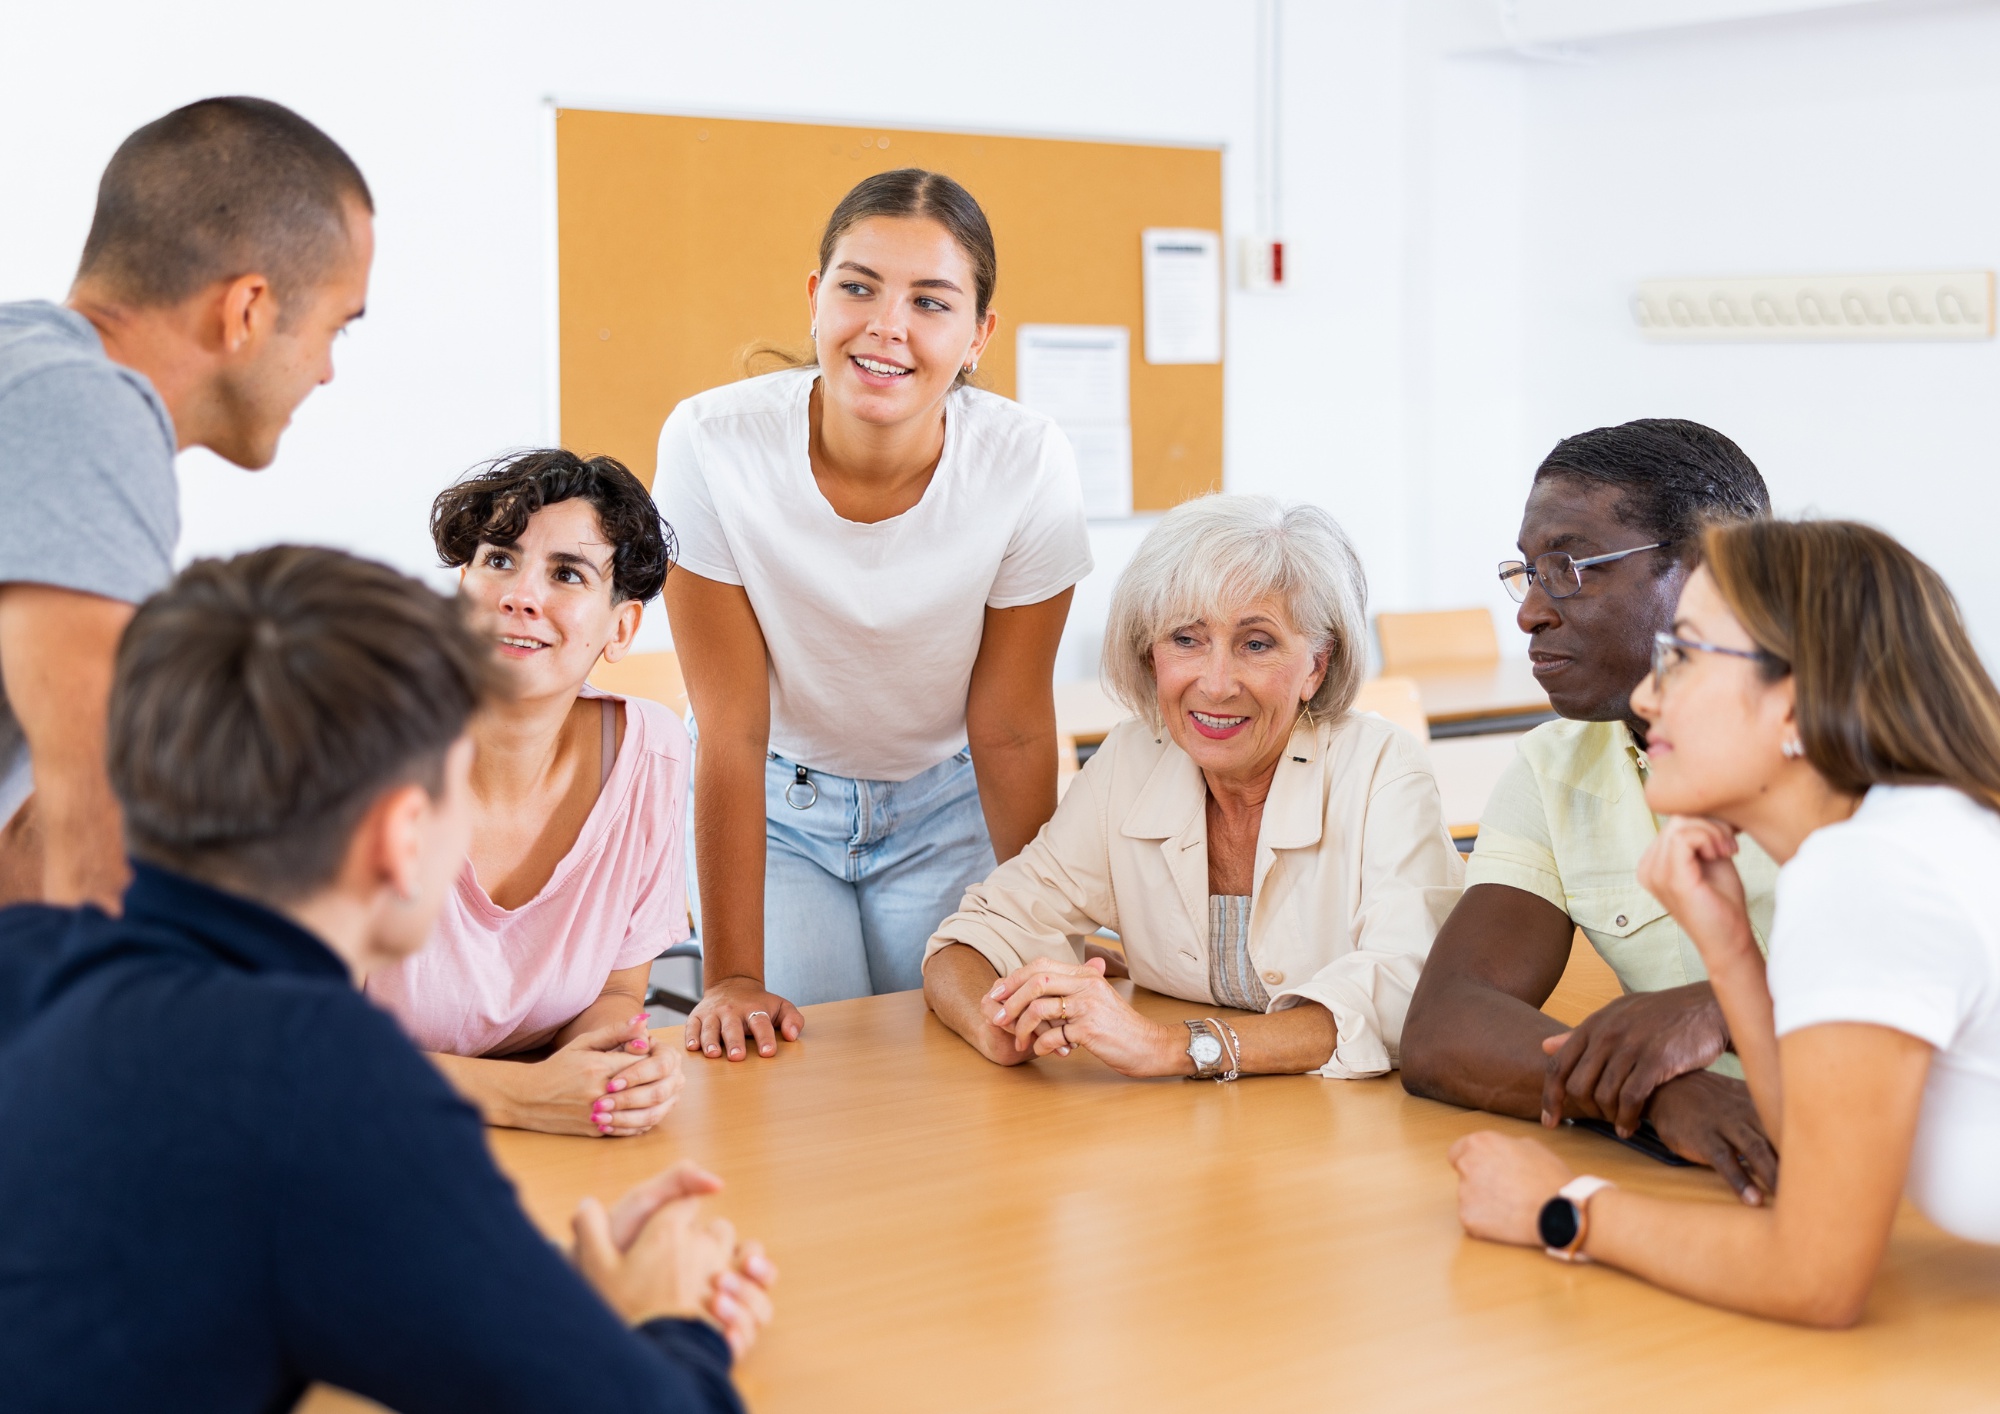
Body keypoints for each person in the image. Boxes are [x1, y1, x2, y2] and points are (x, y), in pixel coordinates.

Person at [0, 546, 774, 1410]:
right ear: (402, 838)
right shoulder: (316, 1076)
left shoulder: (28, 959)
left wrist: (528, 1293)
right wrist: (673, 1322)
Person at [1450, 518, 2000, 1325]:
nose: (1644, 695)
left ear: (1799, 702)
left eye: (1684, 656)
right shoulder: (1904, 837)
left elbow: (1815, 1276)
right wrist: (1730, 948)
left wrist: (1561, 1206)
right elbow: (1815, 1156)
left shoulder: (1874, 870)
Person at [657, 167, 1092, 1064]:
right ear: (816, 300)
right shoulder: (710, 444)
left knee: (979, 1068)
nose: (886, 325)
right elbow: (730, 726)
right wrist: (730, 975)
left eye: (930, 301)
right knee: (802, 1081)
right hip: (778, 812)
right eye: (858, 287)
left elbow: (1010, 728)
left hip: (951, 806)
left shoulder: (1026, 461)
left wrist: (1054, 933)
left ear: (978, 335)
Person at [923, 495, 1463, 1079]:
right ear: (1150, 656)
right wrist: (997, 1025)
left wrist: (1174, 1047)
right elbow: (974, 938)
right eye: (1186, 639)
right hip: (1190, 1129)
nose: (1217, 682)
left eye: (1256, 644)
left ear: (1316, 666)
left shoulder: (1382, 768)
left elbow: (1410, 988)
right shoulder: (1132, 759)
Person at [0, 96, 372, 910]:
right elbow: (87, 813)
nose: (326, 373)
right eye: (336, 328)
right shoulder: (82, 409)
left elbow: (26, 846)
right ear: (247, 310)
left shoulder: (25, 371)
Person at [1399, 420, 1784, 1201]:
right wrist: (1661, 1096)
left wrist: (1727, 1008)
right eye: (1529, 572)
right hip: (1723, 1174)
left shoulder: (1866, 746)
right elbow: (1445, 1027)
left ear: (1711, 572)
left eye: (1570, 567)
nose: (1530, 612)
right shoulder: (1559, 764)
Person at [366, 450, 690, 1138]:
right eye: (499, 561)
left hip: (523, 1149)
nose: (520, 595)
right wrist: (523, 1097)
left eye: (566, 574)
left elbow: (616, 990)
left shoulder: (651, 755)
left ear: (621, 628)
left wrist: (609, 1068)